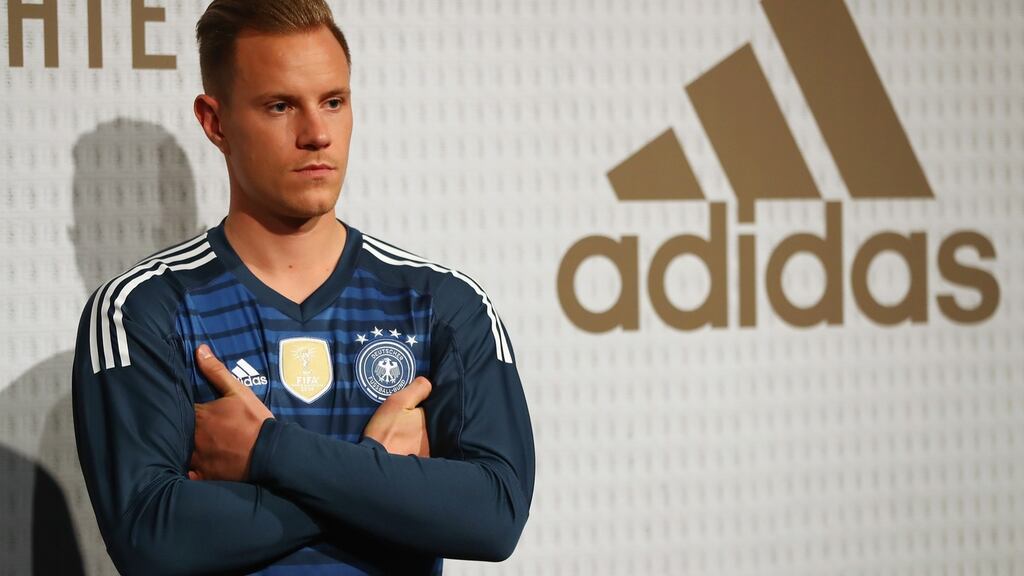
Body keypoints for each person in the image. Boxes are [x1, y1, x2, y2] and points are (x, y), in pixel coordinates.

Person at [70, 1, 535, 574]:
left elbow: (494, 515)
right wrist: (379, 472)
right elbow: (152, 539)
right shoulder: (143, 309)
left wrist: (269, 453)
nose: (317, 134)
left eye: (333, 102)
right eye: (280, 106)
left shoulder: (441, 302)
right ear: (215, 123)